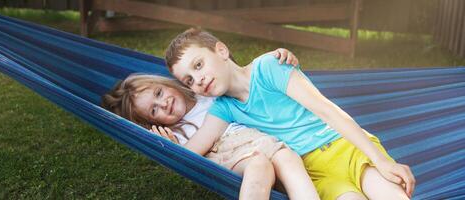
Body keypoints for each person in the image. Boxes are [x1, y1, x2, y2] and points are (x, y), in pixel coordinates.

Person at [164, 28, 416, 200]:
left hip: (347, 149)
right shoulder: (224, 109)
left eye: (198, 65)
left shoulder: (270, 66)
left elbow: (328, 111)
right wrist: (165, 143)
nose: (199, 79)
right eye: (189, 80)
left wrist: (380, 160)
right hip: (315, 175)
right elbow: (191, 151)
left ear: (221, 51)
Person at [101, 49, 320, 200]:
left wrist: (273, 59)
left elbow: (242, 76)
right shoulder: (178, 132)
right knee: (260, 165)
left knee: (288, 158)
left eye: (159, 93)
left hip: (261, 140)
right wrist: (171, 149)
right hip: (225, 153)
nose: (164, 104)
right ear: (153, 122)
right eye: (154, 110)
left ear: (166, 84)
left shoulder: (207, 92)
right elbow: (190, 157)